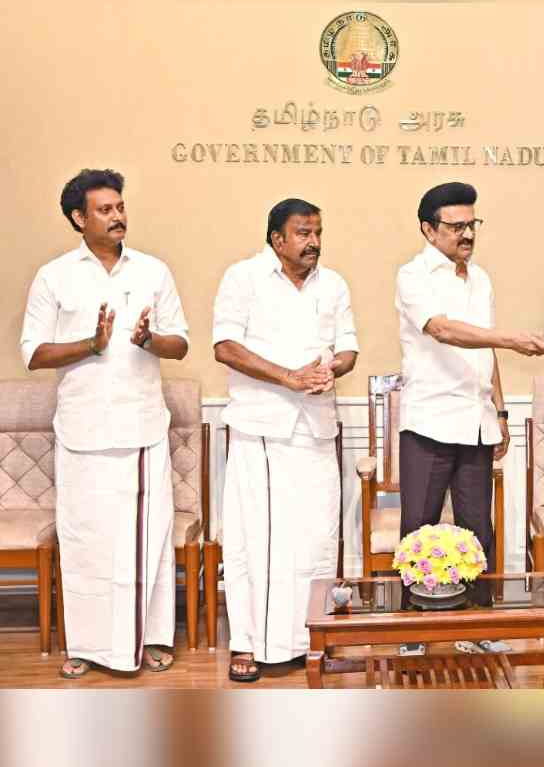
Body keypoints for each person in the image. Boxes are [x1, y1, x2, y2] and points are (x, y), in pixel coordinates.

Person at [21, 168, 189, 679]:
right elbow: (34, 352)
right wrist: (90, 345)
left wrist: (148, 340)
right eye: (105, 209)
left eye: (120, 207)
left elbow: (180, 344)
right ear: (79, 218)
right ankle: (87, 646)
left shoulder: (153, 271)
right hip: (83, 431)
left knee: (147, 540)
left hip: (142, 429)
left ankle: (152, 638)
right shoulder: (54, 276)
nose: (118, 216)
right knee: (86, 541)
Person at [395, 182, 544, 654]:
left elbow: (484, 351)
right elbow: (443, 330)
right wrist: (509, 339)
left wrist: (500, 411)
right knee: (418, 527)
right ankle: (412, 633)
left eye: (472, 224)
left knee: (479, 530)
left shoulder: (480, 279)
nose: (467, 234)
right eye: (456, 226)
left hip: (476, 421)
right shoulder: (413, 275)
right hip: (429, 420)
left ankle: (479, 627)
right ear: (428, 229)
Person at [213, 197, 358, 682]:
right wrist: (287, 378)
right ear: (277, 239)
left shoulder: (333, 284)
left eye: (317, 233)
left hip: (316, 427)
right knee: (256, 542)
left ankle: (310, 639)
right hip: (263, 428)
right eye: (303, 233)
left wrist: (331, 368)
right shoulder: (243, 278)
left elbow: (348, 349)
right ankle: (248, 643)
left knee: (317, 541)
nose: (313, 242)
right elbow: (226, 347)